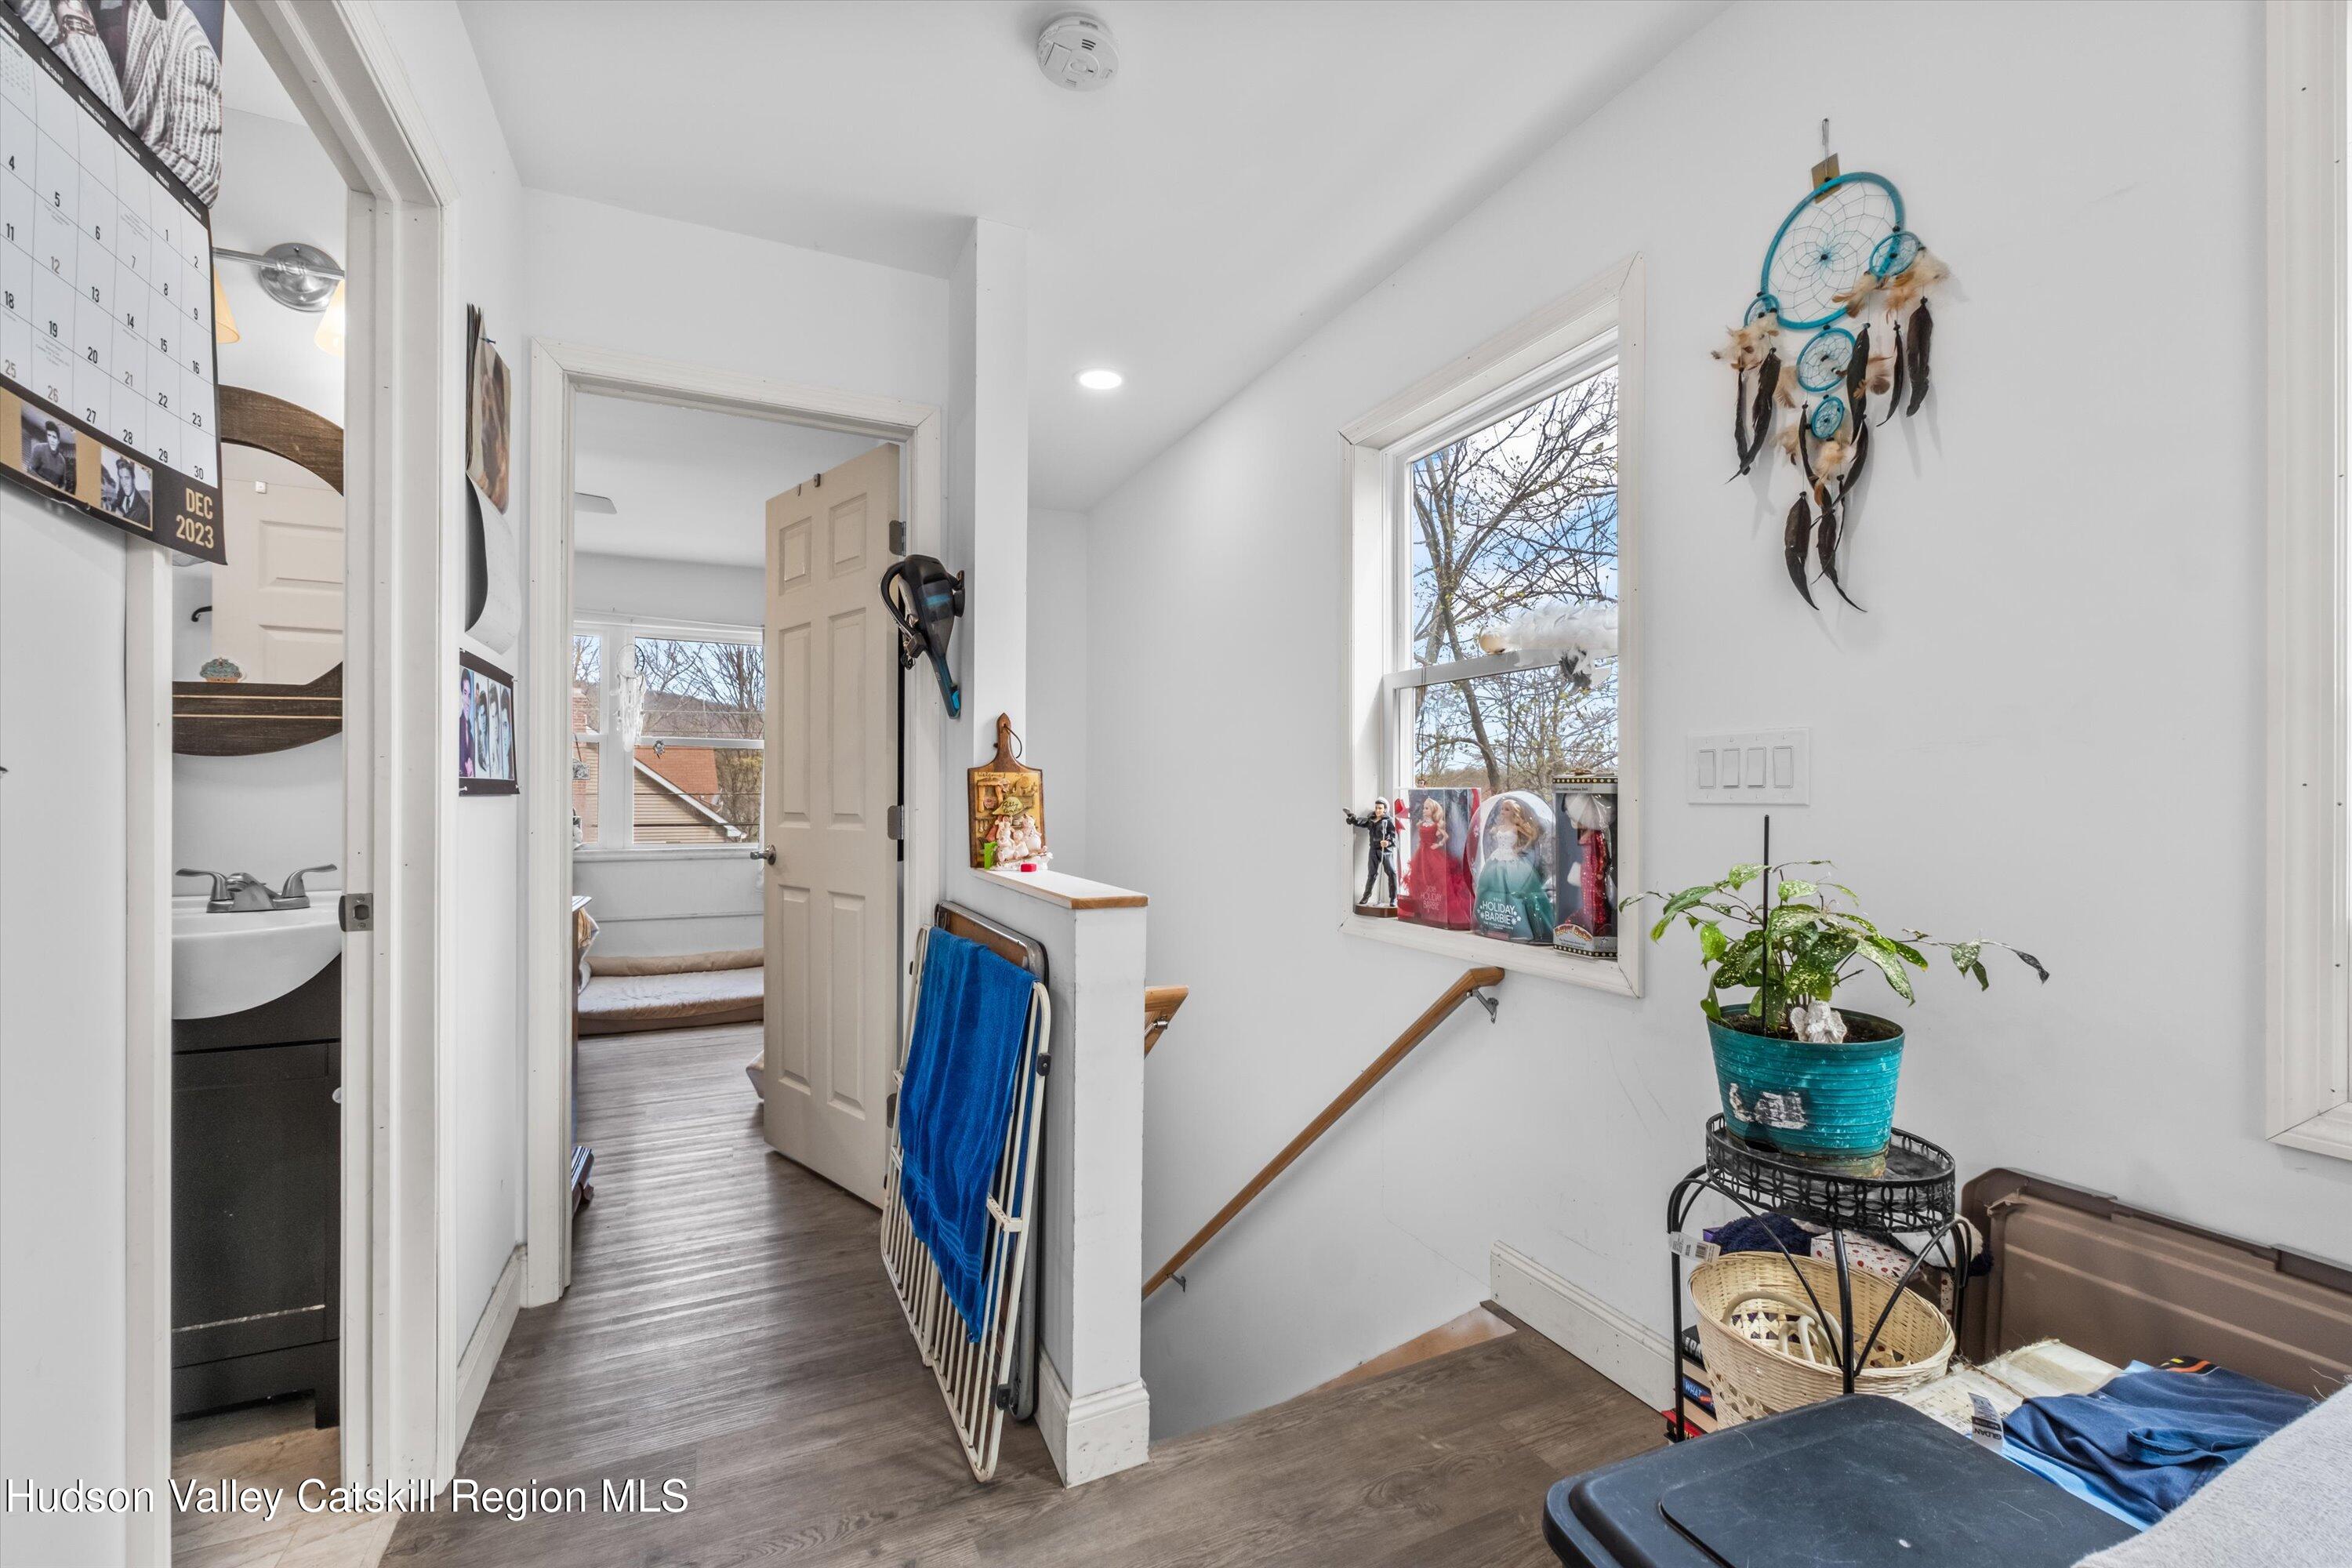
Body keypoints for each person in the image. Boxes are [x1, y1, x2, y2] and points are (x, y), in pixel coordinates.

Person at [1473, 796, 1557, 944]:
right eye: (1503, 809)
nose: (1503, 812)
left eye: (1507, 809)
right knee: (1490, 887)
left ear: (1514, 812)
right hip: (1497, 858)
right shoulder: (1499, 828)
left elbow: (1533, 835)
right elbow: (1488, 833)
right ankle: (1491, 924)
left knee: (1515, 889)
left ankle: (1520, 927)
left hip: (1512, 859)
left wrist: (1522, 848)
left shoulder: (1516, 827)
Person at [1343, 797, 1400, 909]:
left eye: (1380, 808)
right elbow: (1360, 822)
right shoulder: (1371, 819)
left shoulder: (1389, 821)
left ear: (1385, 809)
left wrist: (1388, 842)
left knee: (1392, 872)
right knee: (1372, 873)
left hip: (1385, 851)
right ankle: (1366, 896)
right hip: (1373, 850)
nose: (1378, 810)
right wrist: (1352, 817)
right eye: (1376, 808)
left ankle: (1393, 898)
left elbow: (1395, 837)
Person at [25, 421, 71, 489]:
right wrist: (44, 482)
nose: (51, 440)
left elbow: (62, 485)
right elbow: (30, 470)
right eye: (49, 435)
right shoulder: (39, 448)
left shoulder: (62, 461)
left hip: (50, 495)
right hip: (33, 490)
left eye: (54, 437)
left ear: (58, 441)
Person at [112, 459, 147, 524]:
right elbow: (114, 505)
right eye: (121, 478)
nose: (124, 483)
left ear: (133, 480)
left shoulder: (144, 511)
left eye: (127, 478)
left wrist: (122, 519)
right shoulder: (121, 492)